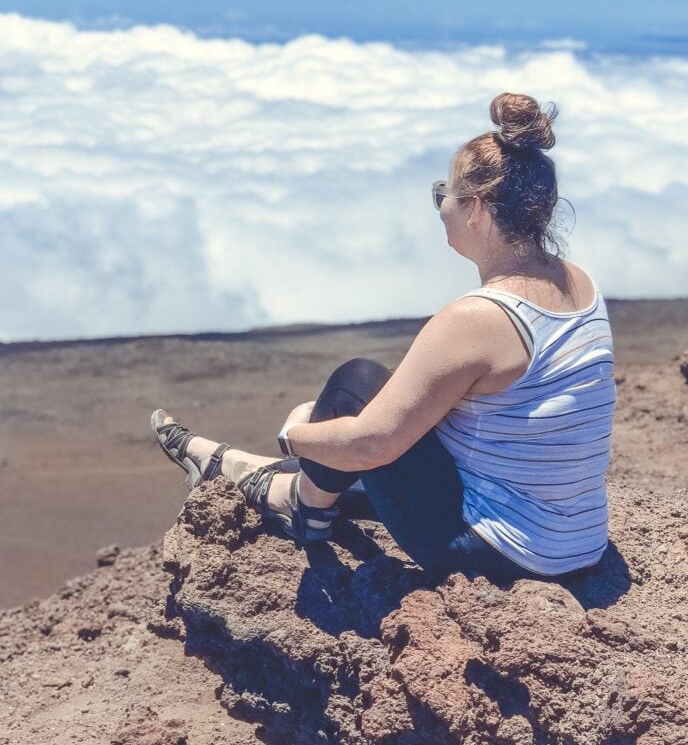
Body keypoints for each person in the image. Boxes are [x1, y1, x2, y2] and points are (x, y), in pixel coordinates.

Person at [151, 92, 616, 584]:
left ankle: (299, 508)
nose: (442, 206)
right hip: (578, 542)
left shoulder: (477, 319)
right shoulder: (581, 284)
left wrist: (296, 435)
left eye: (446, 194)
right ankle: (248, 471)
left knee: (356, 386)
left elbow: (370, 445)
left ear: (477, 209)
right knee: (391, 413)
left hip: (502, 554)